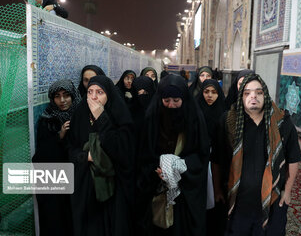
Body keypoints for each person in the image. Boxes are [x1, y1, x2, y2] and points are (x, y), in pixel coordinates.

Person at [212, 74, 301, 236]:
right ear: (241, 96)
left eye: (258, 92)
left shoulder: (282, 122)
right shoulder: (228, 121)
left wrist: (287, 191)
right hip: (237, 202)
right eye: (247, 93)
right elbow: (217, 160)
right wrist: (217, 189)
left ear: (265, 95)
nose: (253, 96)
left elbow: (293, 159)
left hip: (273, 201)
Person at [136, 74, 209, 236]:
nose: (171, 105)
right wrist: (157, 169)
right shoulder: (152, 117)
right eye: (166, 100)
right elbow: (144, 153)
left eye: (176, 101)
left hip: (185, 191)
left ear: (184, 98)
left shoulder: (194, 119)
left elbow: (202, 154)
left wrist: (180, 166)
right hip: (157, 187)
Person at [68, 76, 134, 236]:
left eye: (100, 92)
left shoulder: (119, 116)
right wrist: (86, 157)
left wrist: (101, 117)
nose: (93, 97)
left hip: (113, 190)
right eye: (90, 92)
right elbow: (71, 148)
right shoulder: (80, 115)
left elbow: (122, 151)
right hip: (86, 187)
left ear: (109, 95)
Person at [32, 79, 81, 236]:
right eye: (57, 96)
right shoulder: (47, 120)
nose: (62, 100)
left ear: (73, 96)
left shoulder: (81, 116)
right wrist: (59, 136)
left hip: (79, 178)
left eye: (66, 95)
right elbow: (40, 156)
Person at [196, 79, 226, 236]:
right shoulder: (195, 111)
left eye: (214, 92)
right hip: (199, 161)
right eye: (206, 92)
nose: (210, 96)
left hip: (218, 161)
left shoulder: (224, 113)